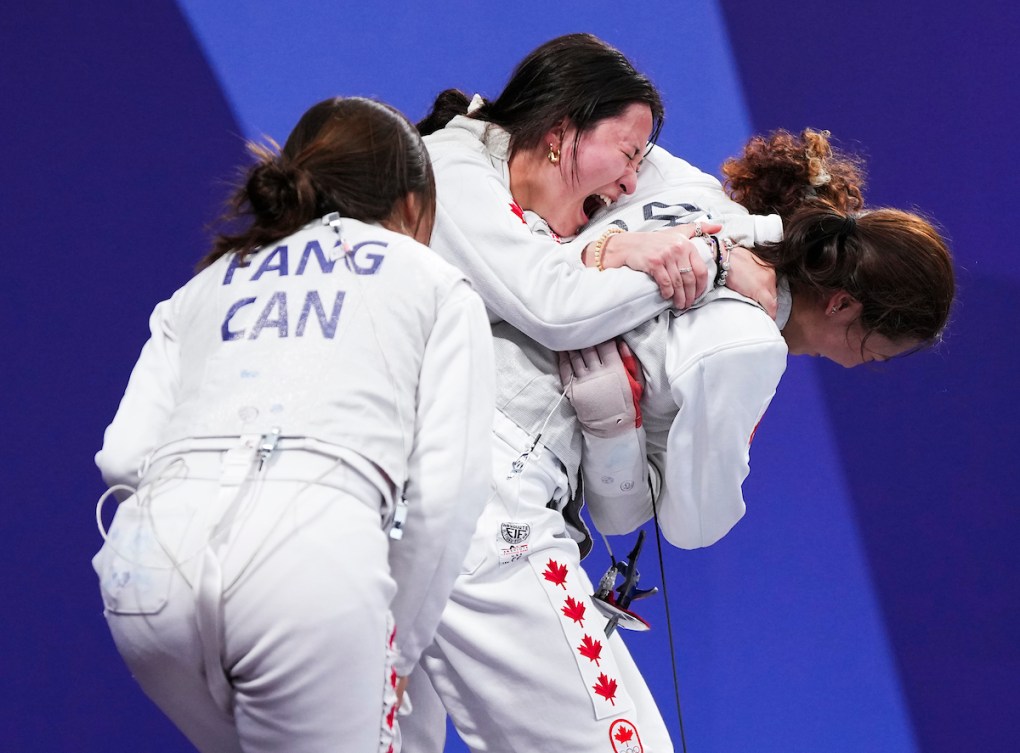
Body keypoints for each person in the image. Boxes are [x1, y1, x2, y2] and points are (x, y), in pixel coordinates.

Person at [402, 33, 779, 753]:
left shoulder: (540, 213)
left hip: (433, 509)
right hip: (477, 508)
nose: (632, 183)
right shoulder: (452, 164)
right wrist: (709, 258)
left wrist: (620, 248)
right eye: (629, 153)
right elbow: (553, 303)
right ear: (559, 130)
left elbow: (551, 284)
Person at [91, 97, 495, 753]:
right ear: (416, 205)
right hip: (307, 566)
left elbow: (124, 456)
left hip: (146, 572)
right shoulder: (435, 281)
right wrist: (393, 651)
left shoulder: (204, 284)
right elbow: (444, 498)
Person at [562, 128, 955, 552]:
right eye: (875, 356)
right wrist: (613, 431)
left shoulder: (677, 179)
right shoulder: (748, 347)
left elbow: (558, 137)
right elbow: (693, 525)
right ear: (841, 305)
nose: (862, 365)